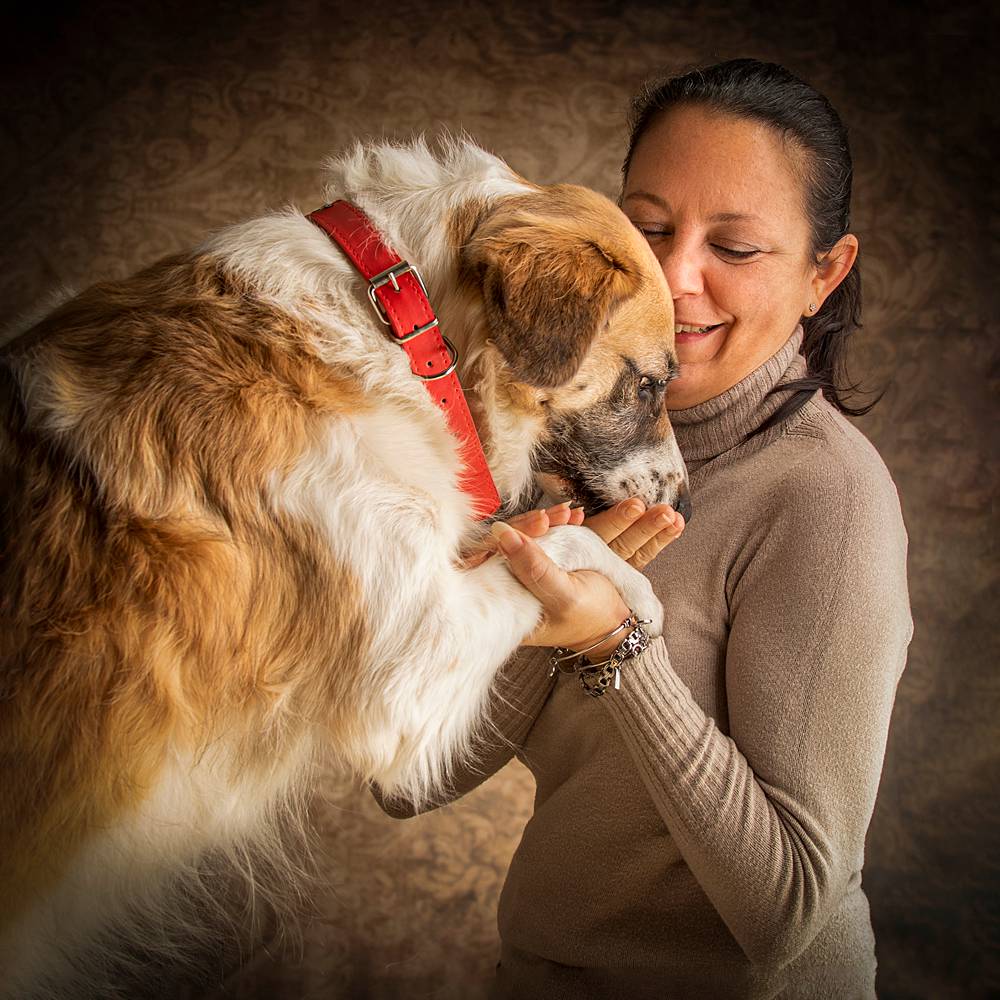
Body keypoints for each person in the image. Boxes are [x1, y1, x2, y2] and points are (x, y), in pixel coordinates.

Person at [375, 58, 912, 999]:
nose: (672, 276)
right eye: (650, 227)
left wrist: (617, 639)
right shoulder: (562, 444)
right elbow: (408, 786)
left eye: (735, 249)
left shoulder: (828, 498)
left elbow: (785, 913)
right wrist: (536, 614)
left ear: (824, 274)